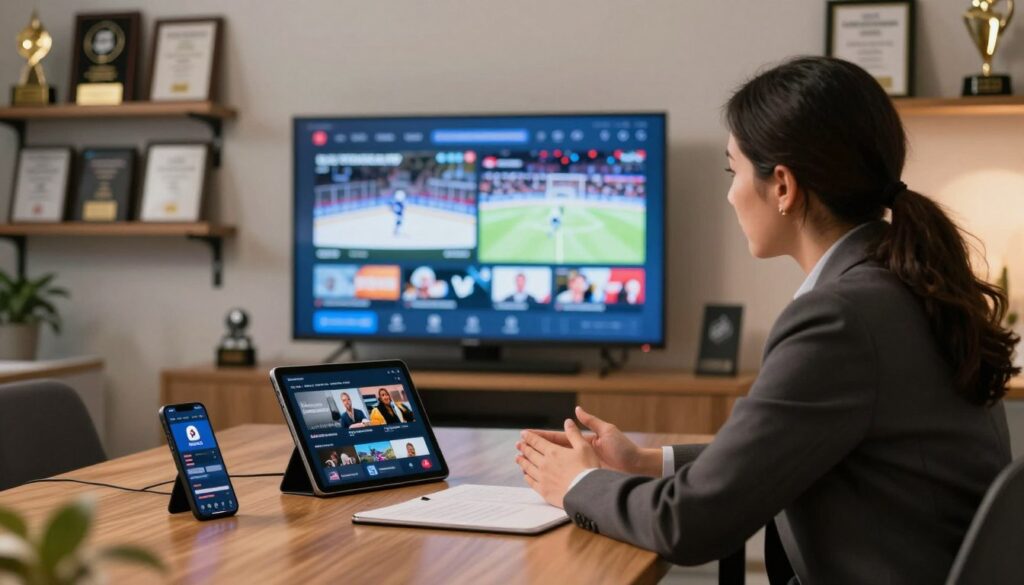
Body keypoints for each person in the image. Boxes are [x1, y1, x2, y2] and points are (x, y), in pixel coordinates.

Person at [514, 56, 1018, 585]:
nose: (730, 194)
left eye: (732, 171)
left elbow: (689, 524)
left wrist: (576, 484)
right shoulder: (900, 285)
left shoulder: (840, 319)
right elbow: (788, 449)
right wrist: (645, 462)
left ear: (782, 186)